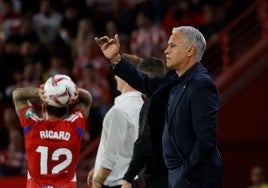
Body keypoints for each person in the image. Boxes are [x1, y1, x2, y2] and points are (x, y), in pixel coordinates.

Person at [95, 25, 224, 188]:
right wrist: (116, 59)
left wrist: (185, 175)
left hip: (194, 180)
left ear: (190, 51)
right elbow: (145, 82)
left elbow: (206, 140)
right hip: (174, 176)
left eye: (173, 45)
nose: (166, 50)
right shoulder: (174, 78)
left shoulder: (201, 84)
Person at [12, 80, 92, 187]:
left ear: (43, 108)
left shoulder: (32, 126)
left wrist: (40, 92)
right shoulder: (75, 127)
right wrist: (70, 90)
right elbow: (86, 99)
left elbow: (17, 95)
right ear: (67, 110)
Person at [87, 54, 144, 188]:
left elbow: (110, 158)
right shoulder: (142, 106)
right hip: (130, 180)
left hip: (114, 183)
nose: (114, 76)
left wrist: (97, 181)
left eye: (117, 72)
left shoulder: (118, 111)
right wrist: (97, 167)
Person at [122, 57, 168, 188]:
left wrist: (128, 177)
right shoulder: (173, 98)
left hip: (159, 178)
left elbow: (144, 144)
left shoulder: (152, 104)